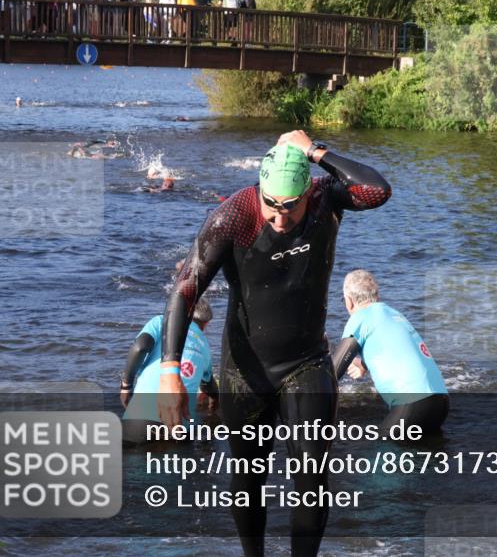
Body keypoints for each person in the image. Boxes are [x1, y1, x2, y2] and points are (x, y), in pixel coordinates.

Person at [158, 130, 391, 557]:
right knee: (247, 479)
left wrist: (314, 151)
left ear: (308, 191)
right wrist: (170, 370)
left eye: (290, 207)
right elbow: (185, 290)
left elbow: (377, 189)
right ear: (259, 190)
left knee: (312, 479)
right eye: (272, 206)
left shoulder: (325, 199)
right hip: (246, 369)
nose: (280, 218)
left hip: (306, 362)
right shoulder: (232, 217)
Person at [332, 270, 449, 435]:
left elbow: (333, 373)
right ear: (377, 297)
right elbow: (397, 346)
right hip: (441, 401)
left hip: (413, 403)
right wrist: (364, 364)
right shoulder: (394, 314)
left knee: (382, 454)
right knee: (427, 456)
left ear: (349, 301)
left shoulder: (359, 318)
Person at [121, 296, 217, 445]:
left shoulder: (161, 321)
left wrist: (126, 385)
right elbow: (209, 386)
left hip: (141, 419)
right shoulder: (204, 345)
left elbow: (140, 347)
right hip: (181, 428)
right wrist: (213, 408)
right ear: (206, 325)